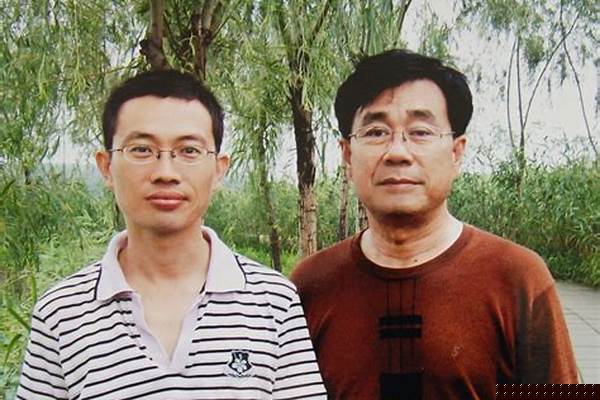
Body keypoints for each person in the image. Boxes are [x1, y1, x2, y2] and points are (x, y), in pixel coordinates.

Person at [17, 70, 326, 400]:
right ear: (106, 166)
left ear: (219, 169)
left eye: (189, 151)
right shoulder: (61, 312)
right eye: (141, 149)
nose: (166, 173)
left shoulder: (274, 302)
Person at [290, 49, 577, 399]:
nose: (397, 152)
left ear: (456, 152)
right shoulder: (309, 285)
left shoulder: (519, 278)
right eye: (376, 132)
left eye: (421, 132)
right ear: (348, 155)